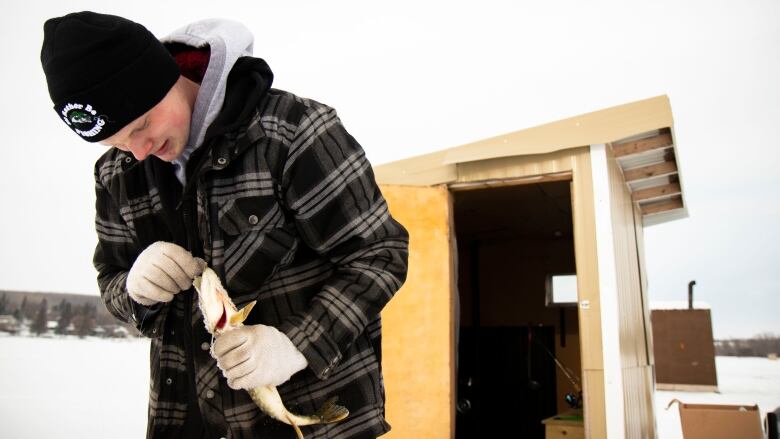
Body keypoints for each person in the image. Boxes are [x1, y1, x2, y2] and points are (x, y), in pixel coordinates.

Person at [40, 11, 409, 439]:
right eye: (117, 140)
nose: (137, 152)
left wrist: (296, 345)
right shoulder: (116, 174)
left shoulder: (291, 132)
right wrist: (135, 288)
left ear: (165, 78)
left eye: (141, 125)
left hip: (314, 423)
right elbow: (113, 281)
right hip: (183, 421)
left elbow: (380, 255)